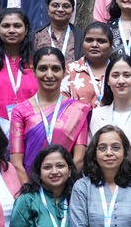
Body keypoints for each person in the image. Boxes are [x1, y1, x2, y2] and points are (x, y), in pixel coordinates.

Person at [9, 47, 90, 177]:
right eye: (43, 69)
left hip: (67, 185)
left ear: (64, 72)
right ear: (34, 71)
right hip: (30, 184)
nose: (49, 75)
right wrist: (30, 188)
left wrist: (61, 184)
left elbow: (79, 159)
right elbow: (16, 163)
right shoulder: (20, 111)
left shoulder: (77, 109)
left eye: (56, 69)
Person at [89, 56, 131, 179]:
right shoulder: (95, 115)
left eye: (127, 75)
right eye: (115, 75)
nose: (121, 81)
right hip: (102, 185)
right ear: (108, 80)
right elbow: (90, 157)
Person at [0, 8, 39, 121]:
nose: (11, 30)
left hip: (33, 126)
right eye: (6, 26)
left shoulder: (37, 62)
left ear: (26, 30)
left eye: (17, 26)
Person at [62, 22, 114, 108]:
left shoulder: (119, 71)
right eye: (89, 40)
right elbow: (61, 106)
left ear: (111, 45)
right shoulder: (69, 71)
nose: (94, 45)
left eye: (101, 41)